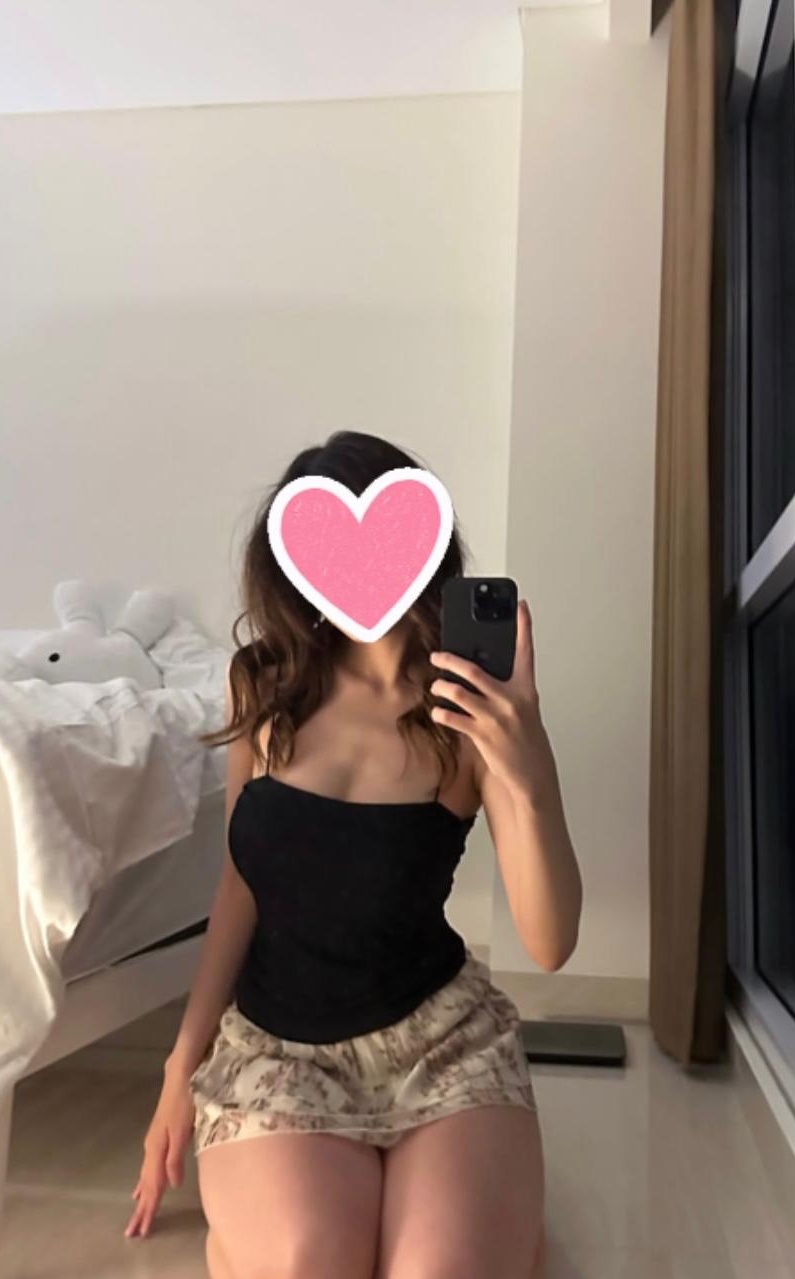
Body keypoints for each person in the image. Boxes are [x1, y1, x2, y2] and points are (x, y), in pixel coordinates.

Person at [124, 430, 582, 1278]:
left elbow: (550, 943)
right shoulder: (262, 683)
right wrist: (178, 1066)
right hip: (278, 1051)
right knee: (311, 1258)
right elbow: (241, 886)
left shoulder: (470, 707)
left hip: (443, 1042)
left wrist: (528, 771)